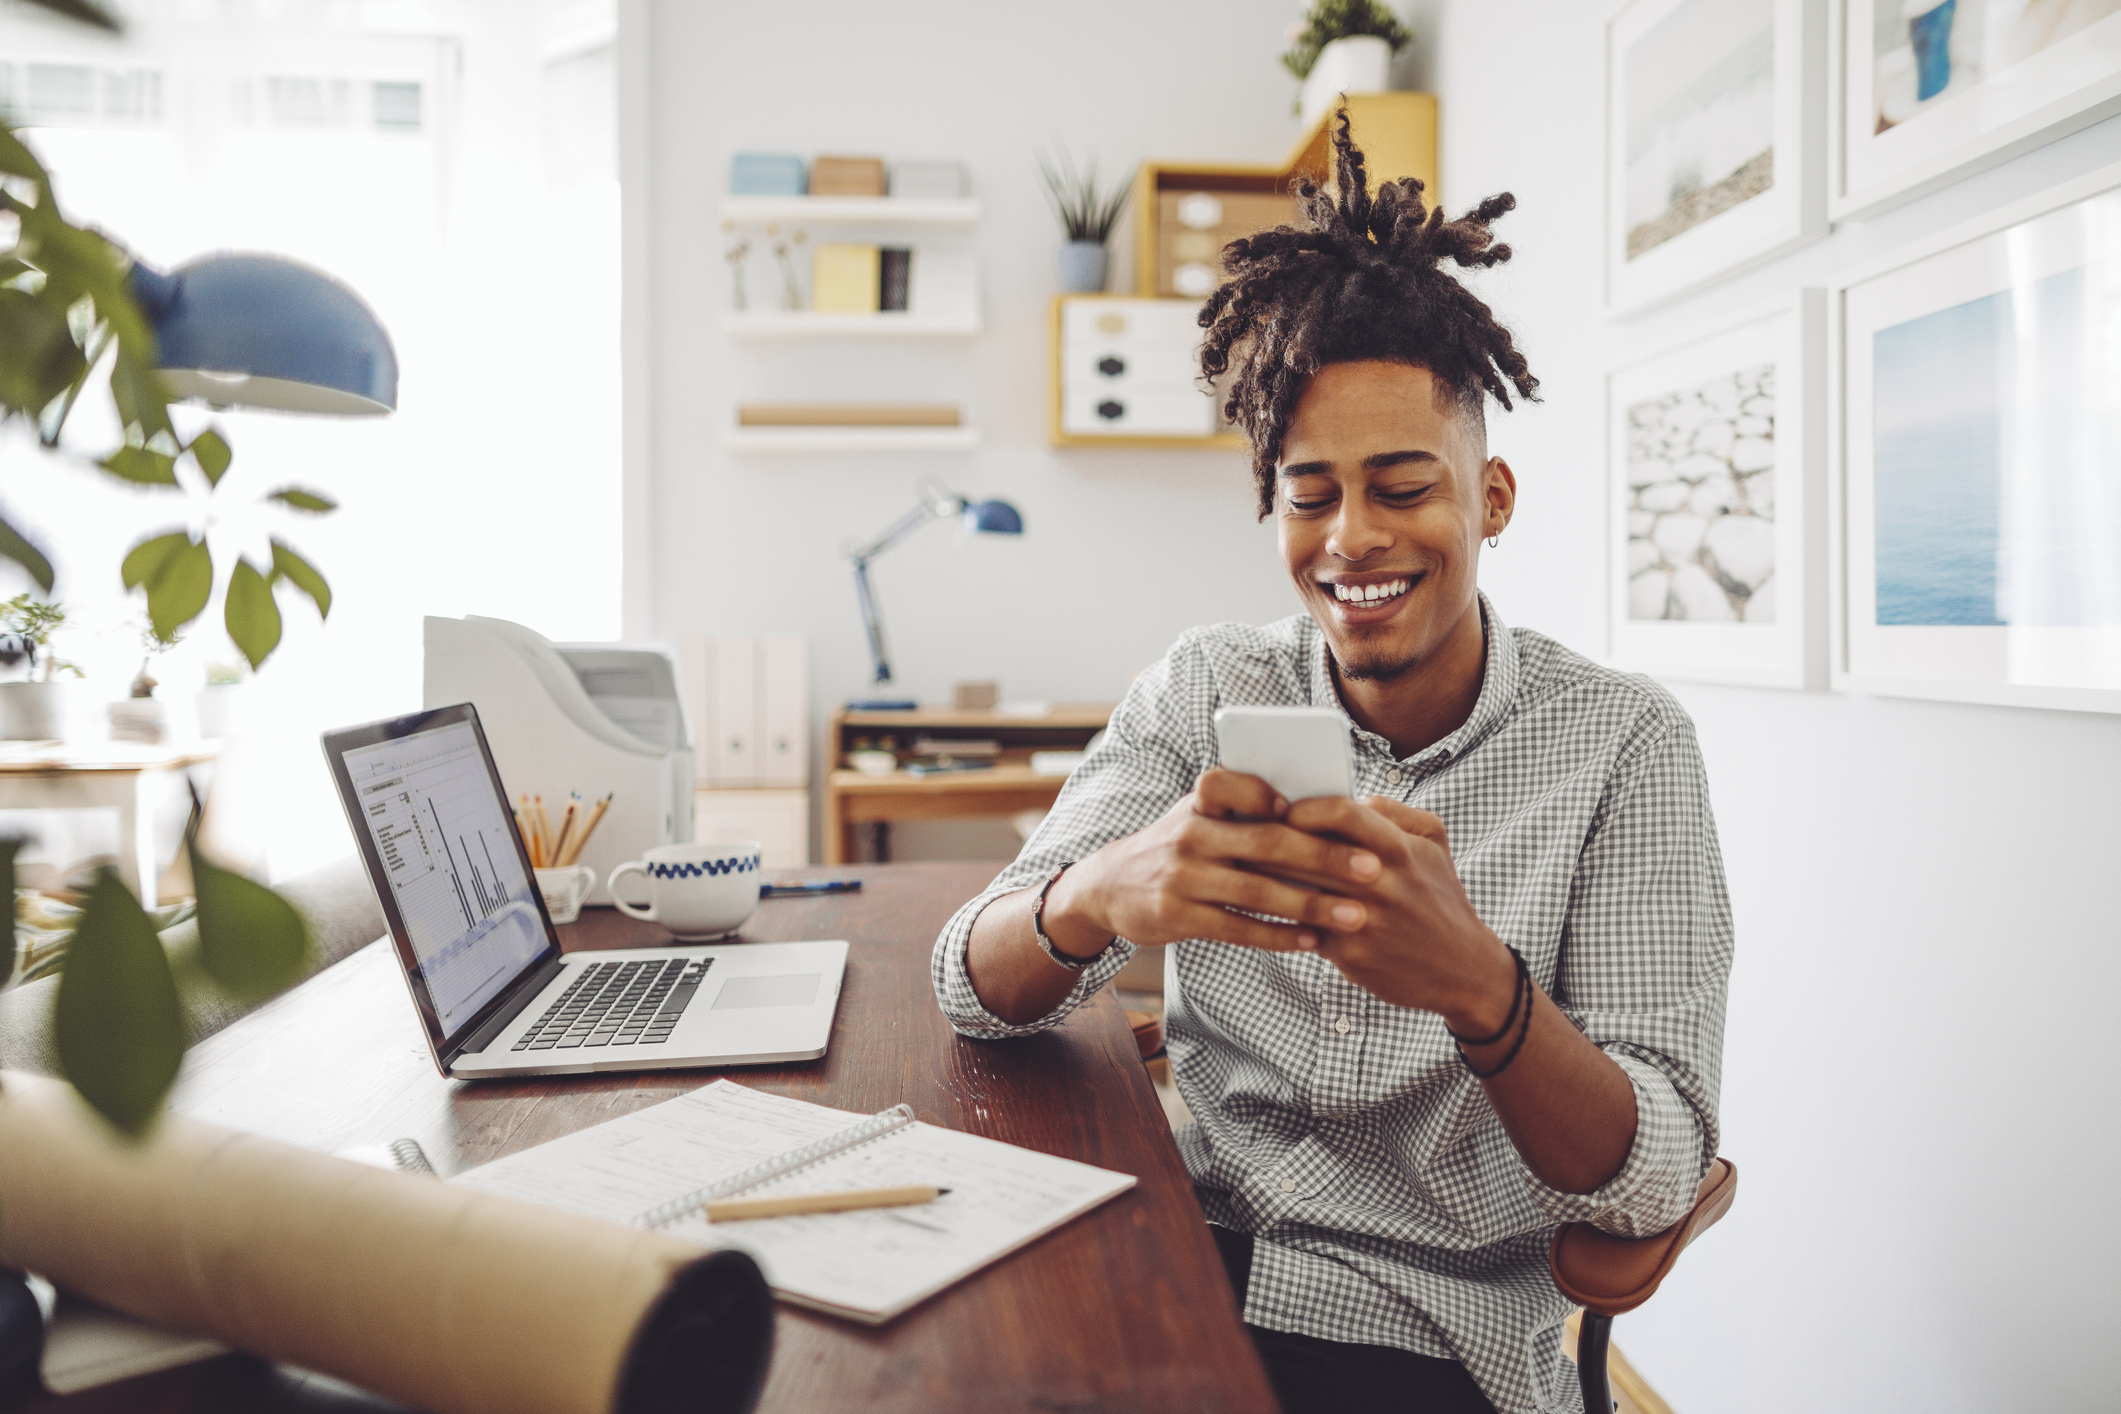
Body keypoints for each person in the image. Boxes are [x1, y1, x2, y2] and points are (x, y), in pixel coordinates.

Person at [930, 118, 1732, 1414]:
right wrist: (1096, 894)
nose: (1352, 538)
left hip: (1432, 1334)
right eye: (1309, 494)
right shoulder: (1203, 689)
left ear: (1492, 498)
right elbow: (963, 981)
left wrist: (1483, 991)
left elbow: (1650, 1178)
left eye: (1404, 485)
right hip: (1184, 1257)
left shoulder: (1622, 749)